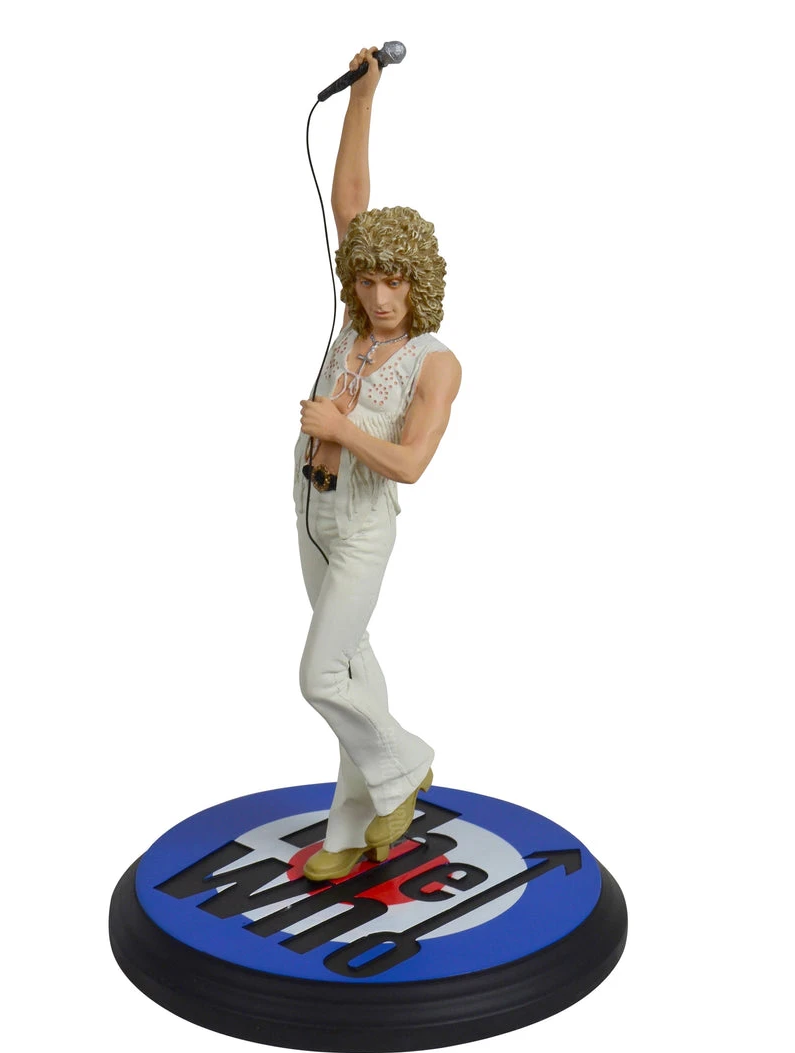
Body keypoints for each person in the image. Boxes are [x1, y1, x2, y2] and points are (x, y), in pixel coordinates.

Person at [294, 47, 462, 882]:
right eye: (366, 281)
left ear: (416, 282)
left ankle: (404, 763)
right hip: (309, 507)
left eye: (394, 281)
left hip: (361, 521)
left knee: (321, 673)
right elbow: (349, 197)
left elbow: (411, 463)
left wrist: (340, 425)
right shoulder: (357, 325)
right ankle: (354, 822)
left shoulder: (434, 361)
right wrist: (366, 94)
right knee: (353, 663)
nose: (379, 297)